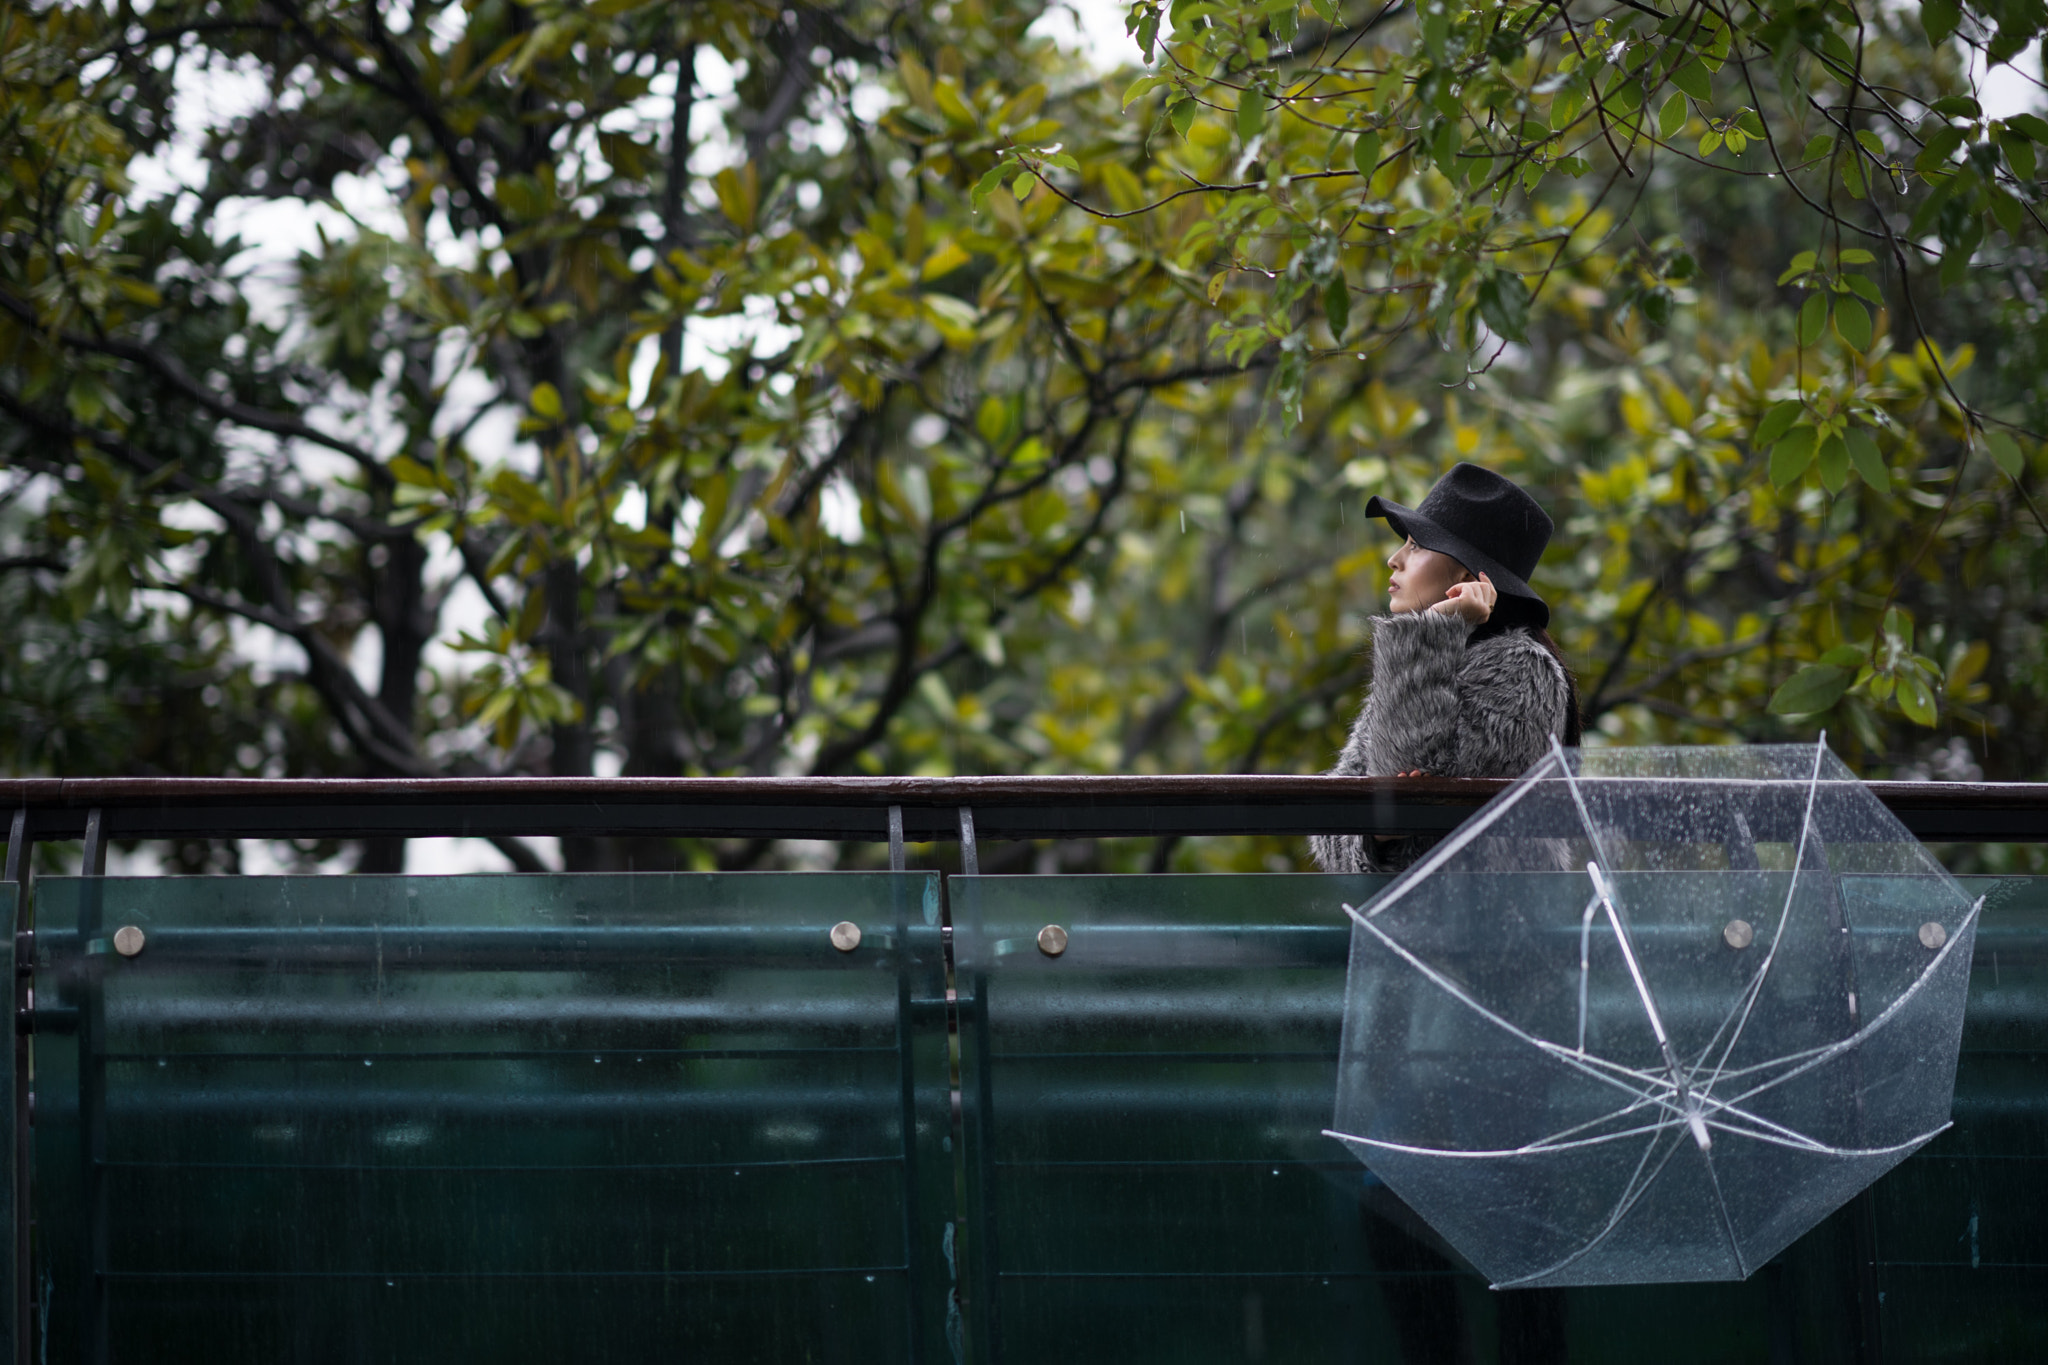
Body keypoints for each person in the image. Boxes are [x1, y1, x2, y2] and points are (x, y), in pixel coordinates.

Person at [1311, 461, 1582, 875]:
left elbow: (1414, 808)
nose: (1394, 559)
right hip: (1403, 922)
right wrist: (1376, 833)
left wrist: (1438, 628)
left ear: (1465, 574)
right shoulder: (1417, 660)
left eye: (1416, 545)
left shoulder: (1524, 670)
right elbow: (1327, 828)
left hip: (1491, 929)